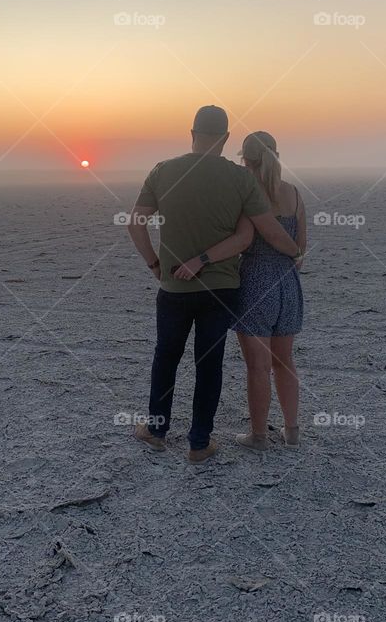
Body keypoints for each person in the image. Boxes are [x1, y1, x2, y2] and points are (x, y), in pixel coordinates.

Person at [126, 107, 301, 464]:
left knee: (166, 357)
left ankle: (156, 431)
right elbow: (261, 231)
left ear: (191, 132)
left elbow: (135, 223)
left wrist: (155, 263)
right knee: (210, 363)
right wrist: (296, 251)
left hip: (173, 287)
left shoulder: (163, 170)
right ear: (224, 139)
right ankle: (199, 443)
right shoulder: (240, 178)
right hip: (221, 289)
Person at [177, 131, 305, 451]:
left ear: (246, 161)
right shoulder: (294, 194)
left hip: (255, 282)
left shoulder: (248, 196)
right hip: (289, 284)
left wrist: (202, 258)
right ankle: (292, 432)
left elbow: (244, 240)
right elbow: (301, 249)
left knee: (257, 366)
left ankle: (258, 436)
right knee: (285, 362)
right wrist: (289, 258)